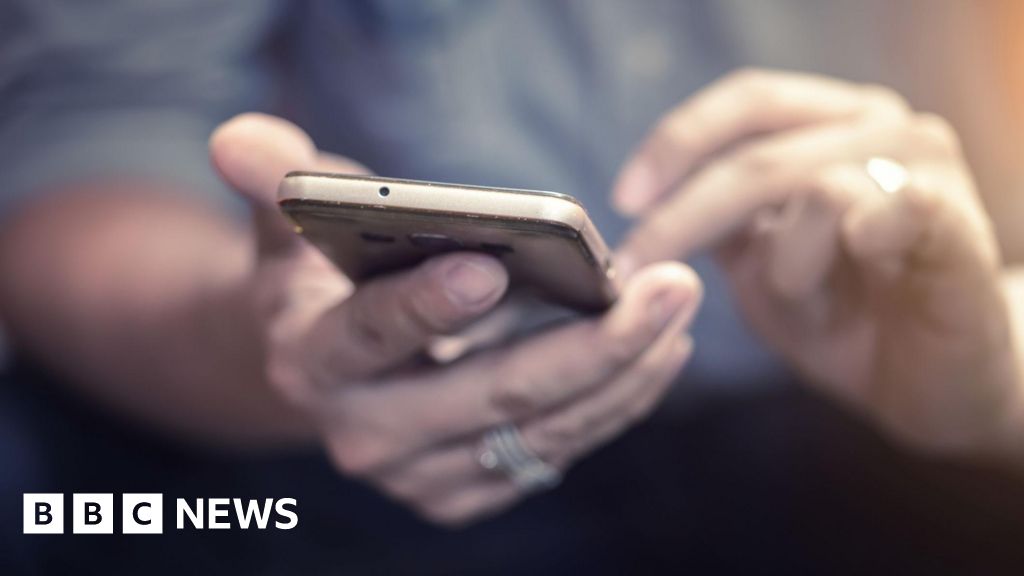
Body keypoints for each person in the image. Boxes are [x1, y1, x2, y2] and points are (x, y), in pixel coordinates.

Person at [2, 0, 1024, 573]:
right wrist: (261, 348)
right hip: (319, 458)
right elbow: (75, 133)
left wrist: (998, 381)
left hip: (872, 427)